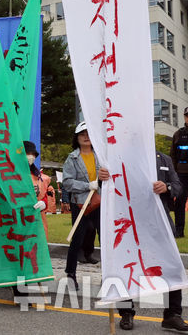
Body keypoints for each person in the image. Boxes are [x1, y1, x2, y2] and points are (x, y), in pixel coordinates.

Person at [115, 151, 188, 332]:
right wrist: (102, 179)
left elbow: (178, 186)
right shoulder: (121, 157)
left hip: (159, 223)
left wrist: (167, 187)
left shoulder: (164, 159)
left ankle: (173, 315)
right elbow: (111, 186)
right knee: (127, 266)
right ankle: (126, 312)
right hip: (130, 223)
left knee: (172, 266)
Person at [63, 122, 109, 289]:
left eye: (89, 133)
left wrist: (102, 181)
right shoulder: (72, 158)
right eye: (82, 134)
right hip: (81, 203)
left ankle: (109, 276)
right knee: (77, 238)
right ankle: (70, 274)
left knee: (104, 239)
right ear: (77, 137)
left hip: (100, 202)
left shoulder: (102, 156)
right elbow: (67, 182)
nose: (86, 136)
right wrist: (87, 185)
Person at [24, 141, 52, 239]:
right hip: (17, 219)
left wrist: (44, 203)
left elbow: (45, 196)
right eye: (28, 154)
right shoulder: (9, 176)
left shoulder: (41, 178)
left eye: (33, 154)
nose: (31, 157)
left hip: (36, 219)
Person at [170, 107, 188, 238]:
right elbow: (173, 155)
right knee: (180, 201)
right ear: (185, 117)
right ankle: (179, 231)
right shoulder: (178, 134)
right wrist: (174, 173)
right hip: (181, 173)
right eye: (187, 116)